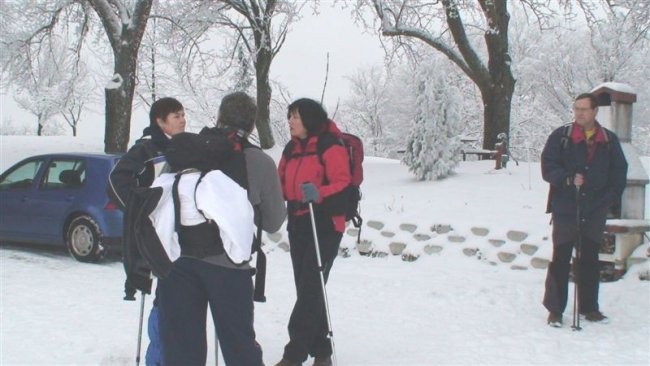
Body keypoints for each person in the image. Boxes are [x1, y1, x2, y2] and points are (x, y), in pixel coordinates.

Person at [157, 91, 286, 365]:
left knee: (181, 348)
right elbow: (274, 221)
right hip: (228, 265)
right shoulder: (259, 161)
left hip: (178, 260)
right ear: (251, 125)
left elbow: (163, 198)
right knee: (239, 345)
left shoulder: (185, 149)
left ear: (218, 117)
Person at [108, 97, 186, 366]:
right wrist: (141, 210)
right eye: (176, 115)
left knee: (176, 300)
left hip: (180, 235)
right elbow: (116, 181)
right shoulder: (146, 149)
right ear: (159, 121)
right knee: (165, 300)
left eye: (183, 114)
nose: (182, 119)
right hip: (156, 234)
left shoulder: (184, 147)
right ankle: (158, 360)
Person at [275, 98, 352, 366]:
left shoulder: (329, 145)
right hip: (298, 222)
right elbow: (280, 183)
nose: (290, 121)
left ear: (309, 118)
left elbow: (343, 182)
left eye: (295, 116)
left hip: (325, 223)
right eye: (289, 116)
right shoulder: (290, 149)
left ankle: (293, 355)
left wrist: (320, 193)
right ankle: (322, 353)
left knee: (310, 287)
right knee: (308, 288)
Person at [541, 92, 627, 328]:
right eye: (576, 108)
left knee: (589, 259)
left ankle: (590, 308)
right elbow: (547, 167)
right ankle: (555, 310)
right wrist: (567, 179)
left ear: (595, 111)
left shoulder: (608, 140)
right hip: (565, 208)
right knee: (561, 258)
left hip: (595, 210)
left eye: (584, 109)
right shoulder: (562, 136)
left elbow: (620, 174)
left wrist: (608, 200)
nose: (579, 113)